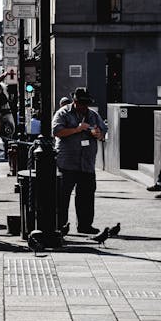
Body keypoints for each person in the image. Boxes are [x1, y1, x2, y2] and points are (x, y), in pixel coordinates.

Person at [52, 87, 108, 234]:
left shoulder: (93, 115)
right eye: (81, 103)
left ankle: (85, 225)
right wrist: (77, 129)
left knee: (86, 197)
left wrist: (98, 134)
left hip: (87, 164)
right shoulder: (63, 113)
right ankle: (60, 226)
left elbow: (103, 133)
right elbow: (57, 131)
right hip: (67, 163)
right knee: (62, 198)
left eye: (86, 104)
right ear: (75, 101)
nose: (84, 107)